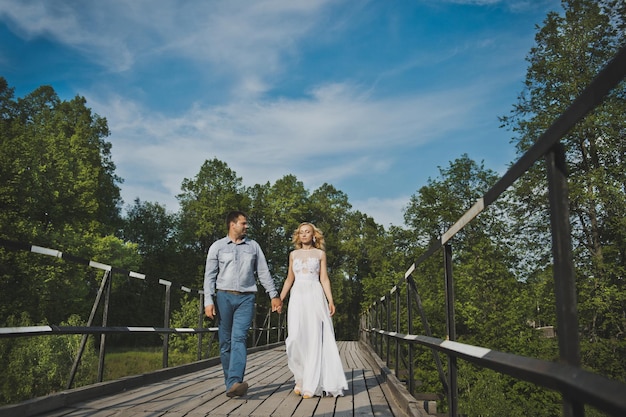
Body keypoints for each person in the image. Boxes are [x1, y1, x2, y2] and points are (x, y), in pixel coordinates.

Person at [204, 210, 282, 398]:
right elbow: (210, 276)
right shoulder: (217, 247)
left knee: (239, 338)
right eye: (243, 223)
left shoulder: (253, 246)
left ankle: (235, 382)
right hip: (224, 297)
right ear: (232, 224)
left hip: (246, 298)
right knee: (225, 342)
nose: (246, 226)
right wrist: (208, 300)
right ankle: (231, 383)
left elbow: (263, 272)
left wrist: (274, 295)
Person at [279, 222, 348, 398]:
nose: (303, 235)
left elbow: (324, 278)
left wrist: (330, 300)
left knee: (314, 337)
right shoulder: (293, 254)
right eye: (301, 232)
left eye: (307, 232)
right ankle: (300, 377)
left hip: (315, 295)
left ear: (313, 235)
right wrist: (280, 299)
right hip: (297, 296)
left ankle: (311, 384)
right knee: (294, 337)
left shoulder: (320, 254)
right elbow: (289, 279)